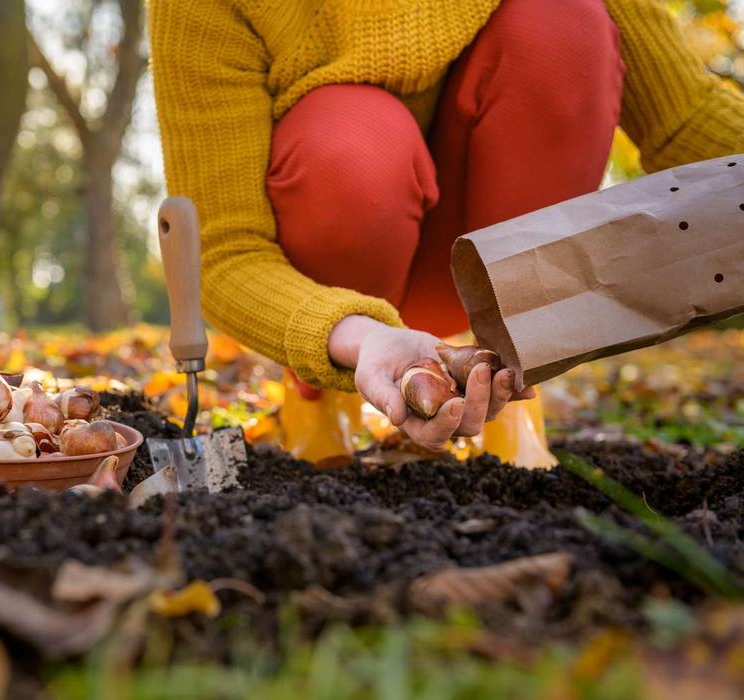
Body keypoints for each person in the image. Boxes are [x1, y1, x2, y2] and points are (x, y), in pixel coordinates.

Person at [149, 0, 744, 453]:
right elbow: (227, 251)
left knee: (562, 23)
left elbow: (684, 119)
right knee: (353, 138)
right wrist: (351, 336)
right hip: (341, 281)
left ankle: (511, 383)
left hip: (487, 264)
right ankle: (320, 401)